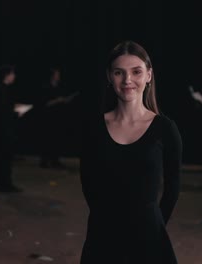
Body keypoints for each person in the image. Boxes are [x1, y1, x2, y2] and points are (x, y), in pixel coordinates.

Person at [80, 40, 182, 263]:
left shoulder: (165, 129)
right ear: (109, 76)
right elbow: (87, 182)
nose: (127, 80)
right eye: (119, 72)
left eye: (136, 71)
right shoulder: (94, 128)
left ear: (148, 75)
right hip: (102, 235)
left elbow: (173, 186)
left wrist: (155, 224)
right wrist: (104, 219)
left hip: (149, 236)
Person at [36, 65, 79, 168]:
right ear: (52, 76)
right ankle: (45, 161)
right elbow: (44, 103)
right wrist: (57, 100)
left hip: (58, 117)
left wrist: (65, 100)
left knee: (57, 139)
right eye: (57, 75)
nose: (58, 76)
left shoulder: (59, 87)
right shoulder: (46, 87)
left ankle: (55, 160)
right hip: (47, 118)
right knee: (47, 139)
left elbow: (63, 100)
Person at [0, 64, 26, 193]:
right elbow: (3, 111)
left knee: (4, 158)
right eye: (13, 73)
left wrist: (16, 107)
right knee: (4, 158)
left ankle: (5, 183)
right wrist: (18, 112)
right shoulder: (2, 89)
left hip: (2, 128)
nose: (14, 76)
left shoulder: (2, 89)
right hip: (4, 129)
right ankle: (5, 185)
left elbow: (6, 106)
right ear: (7, 75)